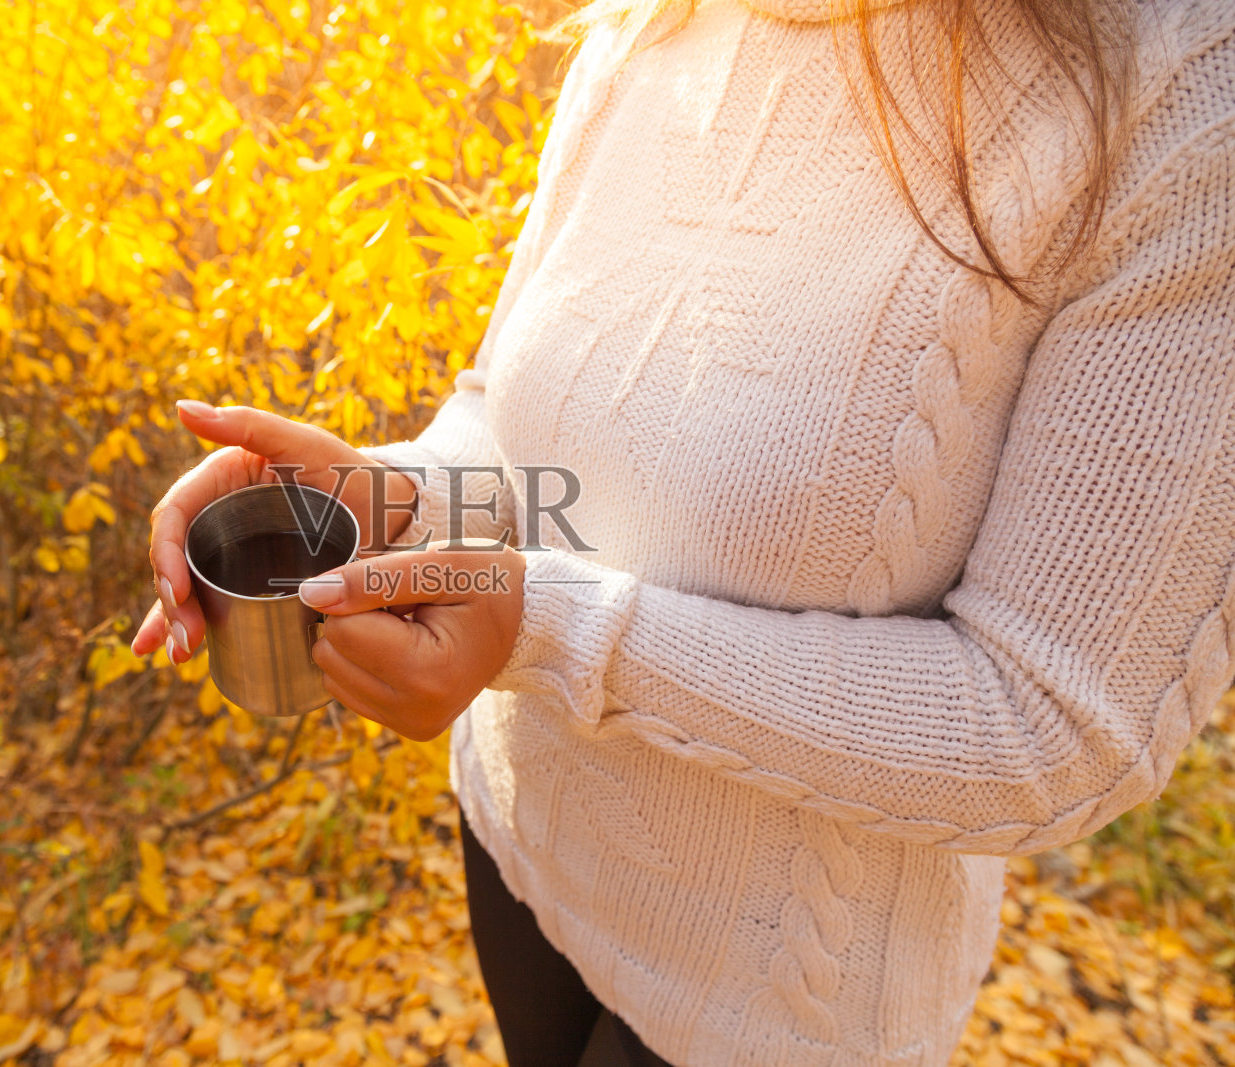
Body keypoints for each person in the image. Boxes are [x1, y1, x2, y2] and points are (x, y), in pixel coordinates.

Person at [132, 0, 1235, 1061]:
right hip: (523, 840)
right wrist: (392, 499)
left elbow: (1049, 724)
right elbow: (529, 422)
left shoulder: (1182, 92)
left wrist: (540, 632)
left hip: (775, 997)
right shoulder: (644, 22)